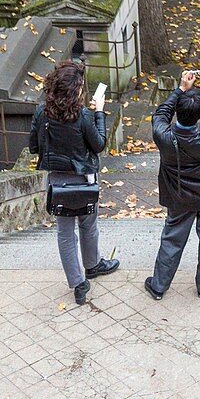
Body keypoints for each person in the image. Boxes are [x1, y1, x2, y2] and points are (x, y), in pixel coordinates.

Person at [29, 59, 119, 305]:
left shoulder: (41, 112)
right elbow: (99, 144)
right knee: (88, 225)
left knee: (65, 233)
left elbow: (33, 146)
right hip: (84, 178)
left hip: (58, 180)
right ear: (75, 90)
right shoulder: (83, 116)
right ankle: (93, 264)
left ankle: (78, 283)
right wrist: (99, 112)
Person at [146, 67, 200, 301]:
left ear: (178, 112)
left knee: (172, 237)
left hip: (179, 194)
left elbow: (160, 114)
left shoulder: (163, 134)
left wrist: (181, 88)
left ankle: (159, 286)